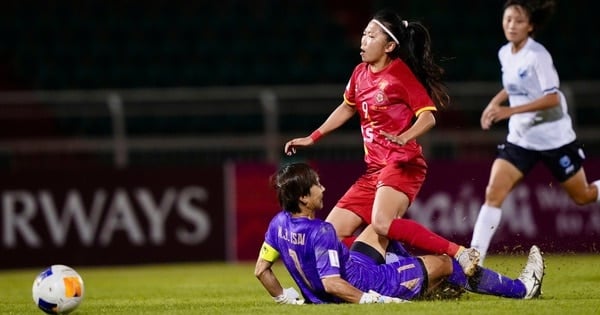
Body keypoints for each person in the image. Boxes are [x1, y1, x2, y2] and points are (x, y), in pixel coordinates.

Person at [283, 9, 481, 276]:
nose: (363, 40)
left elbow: (428, 117)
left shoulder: (400, 75)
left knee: (381, 223)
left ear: (389, 46)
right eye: (363, 34)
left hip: (402, 162)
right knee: (331, 235)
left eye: (371, 35)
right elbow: (346, 107)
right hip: (374, 170)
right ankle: (406, 267)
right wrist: (313, 136)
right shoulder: (359, 73)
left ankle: (459, 252)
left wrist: (404, 137)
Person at [254, 163, 545, 304]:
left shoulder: (278, 223)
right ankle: (522, 290)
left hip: (356, 267)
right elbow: (332, 284)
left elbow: (261, 270)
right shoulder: (323, 231)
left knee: (378, 229)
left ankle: (421, 282)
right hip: (371, 282)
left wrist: (284, 298)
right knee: (445, 262)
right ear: (304, 198)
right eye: (317, 185)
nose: (323, 188)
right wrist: (371, 300)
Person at [470, 0, 600, 265]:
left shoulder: (538, 55)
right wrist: (495, 103)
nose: (512, 25)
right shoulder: (505, 53)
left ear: (530, 26)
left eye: (518, 21)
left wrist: (509, 112)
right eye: (507, 20)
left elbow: (552, 98)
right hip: (521, 139)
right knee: (493, 192)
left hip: (555, 139)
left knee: (583, 196)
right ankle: (473, 261)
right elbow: (514, 83)